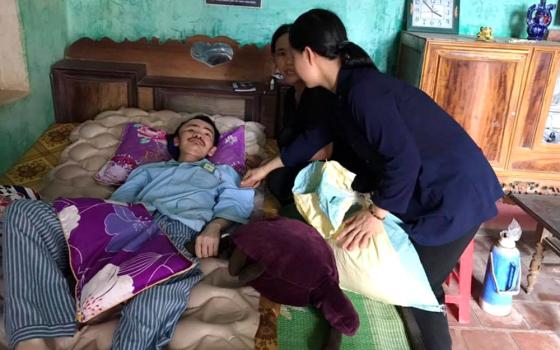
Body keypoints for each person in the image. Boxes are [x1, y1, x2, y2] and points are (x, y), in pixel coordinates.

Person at [246, 8, 504, 350]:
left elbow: (405, 159)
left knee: (418, 289)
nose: (289, 65)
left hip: (453, 191)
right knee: (410, 276)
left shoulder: (363, 92)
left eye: (291, 55)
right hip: (434, 186)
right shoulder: (343, 90)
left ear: (308, 54)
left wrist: (377, 214)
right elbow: (315, 136)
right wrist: (267, 168)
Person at [3, 116, 255, 350]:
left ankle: (114, 308)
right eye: (192, 129)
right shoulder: (148, 170)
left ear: (212, 150)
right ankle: (32, 338)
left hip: (177, 231)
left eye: (207, 133)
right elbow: (118, 202)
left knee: (158, 293)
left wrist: (215, 226)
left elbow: (236, 203)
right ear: (177, 141)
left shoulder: (222, 172)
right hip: (128, 222)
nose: (199, 133)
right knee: (25, 212)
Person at [242, 24, 336, 205]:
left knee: (278, 179)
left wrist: (268, 167)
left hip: (330, 169)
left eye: (295, 53)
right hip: (301, 166)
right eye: (281, 54)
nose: (289, 61)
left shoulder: (320, 93)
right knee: (277, 180)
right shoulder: (290, 96)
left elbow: (323, 150)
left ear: (308, 55)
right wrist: (267, 163)